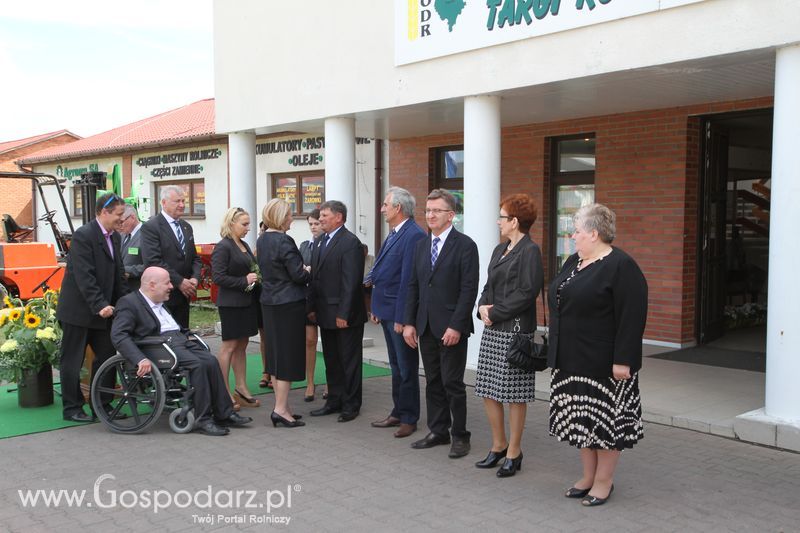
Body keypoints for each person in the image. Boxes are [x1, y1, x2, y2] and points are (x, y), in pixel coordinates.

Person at [548, 203, 648, 506]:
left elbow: (632, 317)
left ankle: (604, 481)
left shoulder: (621, 266)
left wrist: (624, 360)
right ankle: (588, 476)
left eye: (576, 231)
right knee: (581, 422)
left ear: (593, 233)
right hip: (570, 359)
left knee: (604, 425)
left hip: (604, 364)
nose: (572, 236)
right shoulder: (573, 262)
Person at [111, 267, 253, 436]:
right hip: (158, 346)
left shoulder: (159, 301)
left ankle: (224, 412)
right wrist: (140, 359)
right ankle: (203, 419)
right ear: (152, 285)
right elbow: (119, 335)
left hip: (178, 339)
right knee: (198, 365)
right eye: (167, 283)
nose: (171, 286)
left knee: (211, 361)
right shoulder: (129, 303)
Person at [404, 189, 479, 458]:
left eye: (436, 210)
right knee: (433, 380)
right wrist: (409, 322)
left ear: (451, 215)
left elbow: (468, 289)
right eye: (427, 210)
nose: (430, 215)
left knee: (452, 383)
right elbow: (414, 285)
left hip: (451, 328)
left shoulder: (465, 245)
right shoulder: (421, 245)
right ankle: (438, 430)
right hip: (424, 325)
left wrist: (457, 325)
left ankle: (460, 435)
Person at [474, 194, 544, 477]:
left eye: (502, 217)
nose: (498, 221)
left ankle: (514, 450)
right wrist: (481, 308)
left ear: (514, 221)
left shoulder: (530, 251)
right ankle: (498, 444)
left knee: (514, 394)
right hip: (493, 330)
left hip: (515, 333)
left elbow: (528, 292)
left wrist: (495, 312)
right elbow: (489, 284)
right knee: (488, 390)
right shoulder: (498, 249)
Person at [57, 193, 129, 422]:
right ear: (104, 212)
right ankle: (72, 408)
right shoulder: (84, 235)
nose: (122, 219)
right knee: (73, 361)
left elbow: (118, 274)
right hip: (78, 312)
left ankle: (102, 404)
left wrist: (127, 303)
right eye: (118, 214)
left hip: (103, 312)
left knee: (107, 357)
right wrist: (100, 305)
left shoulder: (114, 237)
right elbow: (84, 276)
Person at [365, 187, 425, 438]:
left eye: (385, 205)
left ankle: (409, 417)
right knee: (395, 366)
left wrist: (403, 318)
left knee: (406, 367)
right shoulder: (395, 233)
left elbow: (408, 281)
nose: (382, 209)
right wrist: (376, 307)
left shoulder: (414, 235)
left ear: (398, 208)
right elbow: (384, 271)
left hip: (400, 314)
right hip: (387, 309)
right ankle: (398, 411)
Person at [308, 200, 367, 422]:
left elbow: (351, 282)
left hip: (345, 316)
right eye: (320, 216)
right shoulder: (321, 240)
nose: (320, 219)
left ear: (339, 217)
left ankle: (351, 405)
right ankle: (334, 400)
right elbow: (315, 278)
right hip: (324, 313)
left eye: (324, 215)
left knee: (349, 361)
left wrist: (344, 313)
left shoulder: (350, 242)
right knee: (331, 359)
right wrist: (312, 308)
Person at [258, 198, 312, 428]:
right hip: (288, 304)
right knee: (287, 356)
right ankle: (280, 409)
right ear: (280, 218)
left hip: (270, 302)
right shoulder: (284, 241)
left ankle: (283, 406)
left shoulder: (262, 240)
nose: (292, 218)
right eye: (289, 215)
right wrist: (307, 270)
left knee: (276, 354)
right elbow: (298, 275)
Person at [211, 207, 261, 410]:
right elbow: (218, 277)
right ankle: (224, 391)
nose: (248, 228)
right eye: (244, 224)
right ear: (231, 224)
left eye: (249, 224)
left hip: (247, 303)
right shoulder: (223, 247)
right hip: (231, 304)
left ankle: (241, 388)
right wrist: (244, 280)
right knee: (229, 346)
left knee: (242, 345)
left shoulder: (244, 245)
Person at [141, 185, 202, 329]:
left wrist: (194, 278)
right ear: (163, 202)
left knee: (182, 336)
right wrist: (179, 281)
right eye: (177, 201)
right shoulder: (151, 227)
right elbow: (153, 261)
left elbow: (195, 258)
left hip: (184, 297)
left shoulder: (186, 227)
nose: (182, 205)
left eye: (183, 201)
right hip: (164, 296)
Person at [298, 209, 323, 402]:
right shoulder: (305, 246)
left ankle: (332, 382)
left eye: (317, 223)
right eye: (311, 224)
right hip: (309, 299)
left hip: (327, 299)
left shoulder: (330, 244)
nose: (314, 227)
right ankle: (310, 383)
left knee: (331, 344)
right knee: (308, 341)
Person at [119, 204, 144, 291]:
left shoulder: (147, 235)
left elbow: (151, 264)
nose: (119, 225)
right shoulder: (122, 235)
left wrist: (129, 271)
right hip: (123, 290)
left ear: (132, 218)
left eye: (122, 222)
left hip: (137, 289)